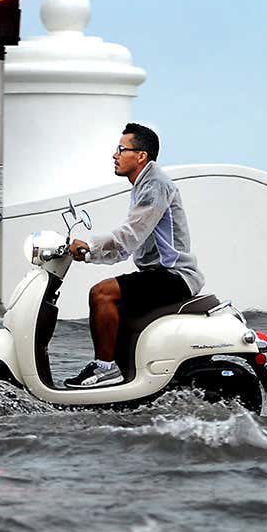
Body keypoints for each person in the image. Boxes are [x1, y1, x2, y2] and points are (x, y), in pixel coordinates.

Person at [64, 123, 203, 388]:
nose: (115, 156)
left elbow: (129, 236)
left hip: (174, 276)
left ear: (141, 156)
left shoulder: (155, 185)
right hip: (158, 275)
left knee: (102, 294)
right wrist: (90, 254)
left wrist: (90, 246)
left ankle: (106, 370)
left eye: (121, 149)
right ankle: (124, 377)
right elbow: (127, 245)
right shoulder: (144, 184)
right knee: (115, 308)